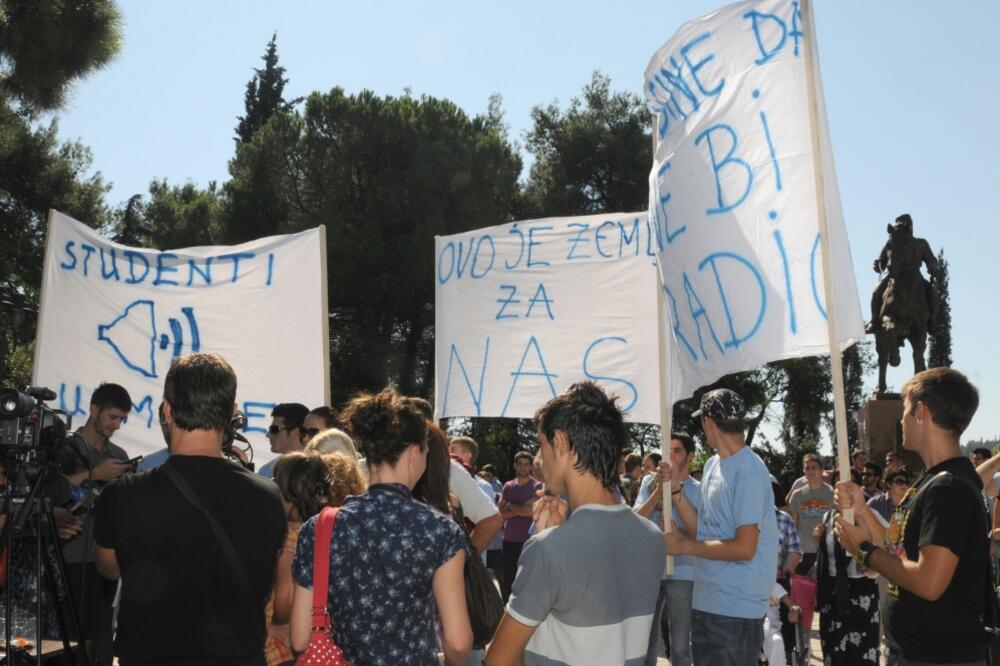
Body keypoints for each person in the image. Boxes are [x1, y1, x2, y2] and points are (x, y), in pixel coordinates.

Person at [94, 353, 287, 664]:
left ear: (167, 411)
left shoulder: (123, 494)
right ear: (232, 413)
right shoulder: (268, 496)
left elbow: (109, 567)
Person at [485, 382, 665, 666]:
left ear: (560, 443)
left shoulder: (549, 549)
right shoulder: (653, 537)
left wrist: (549, 542)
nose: (539, 459)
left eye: (540, 444)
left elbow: (499, 659)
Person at [289, 388, 471, 665]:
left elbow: (301, 638)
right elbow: (458, 643)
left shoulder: (319, 527)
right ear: (413, 453)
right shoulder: (439, 531)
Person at [834, 367, 986, 666]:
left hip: (938, 657)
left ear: (922, 412)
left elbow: (929, 582)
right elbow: (899, 551)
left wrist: (864, 550)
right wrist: (862, 509)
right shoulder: (932, 481)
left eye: (905, 410)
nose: (901, 419)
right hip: (916, 653)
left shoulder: (948, 487)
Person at [663, 388, 779, 666]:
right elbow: (703, 530)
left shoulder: (749, 470)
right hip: (707, 602)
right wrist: (676, 491)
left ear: (708, 422)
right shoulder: (714, 464)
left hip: (736, 609)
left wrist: (683, 546)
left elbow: (745, 547)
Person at [55, 382, 133, 664]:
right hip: (68, 558)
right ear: (93, 409)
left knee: (100, 641)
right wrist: (95, 473)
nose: (117, 425)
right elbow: (52, 489)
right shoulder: (64, 448)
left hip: (105, 560)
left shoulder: (120, 456)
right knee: (67, 640)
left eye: (122, 419)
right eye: (113, 417)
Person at [266, 452, 340, 666]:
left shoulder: (291, 535)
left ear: (289, 490)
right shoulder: (327, 531)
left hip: (280, 651)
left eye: (276, 480)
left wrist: (276, 625)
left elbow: (285, 599)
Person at [633, 433, 700, 666]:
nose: (670, 455)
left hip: (683, 572)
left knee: (681, 644)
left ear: (690, 456)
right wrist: (657, 492)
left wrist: (676, 532)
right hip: (650, 571)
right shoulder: (648, 482)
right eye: (667, 450)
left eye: (677, 450)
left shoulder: (698, 489)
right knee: (645, 641)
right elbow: (635, 520)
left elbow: (699, 533)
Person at [814, 508, 880, 665]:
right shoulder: (828, 517)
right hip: (833, 590)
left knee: (862, 651)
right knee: (834, 649)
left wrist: (866, 562)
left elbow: (883, 549)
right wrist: (819, 538)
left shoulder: (867, 515)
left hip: (861, 591)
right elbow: (828, 555)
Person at [867, 213, 938, 333]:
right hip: (894, 276)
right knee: (876, 292)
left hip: (915, 276)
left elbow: (932, 260)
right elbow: (882, 262)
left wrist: (933, 268)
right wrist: (878, 265)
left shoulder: (921, 243)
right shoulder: (891, 242)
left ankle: (932, 321)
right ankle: (874, 321)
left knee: (932, 293)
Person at [498, 451, 543, 602]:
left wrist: (510, 505)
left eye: (526, 464)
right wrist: (520, 508)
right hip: (508, 539)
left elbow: (531, 512)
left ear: (531, 467)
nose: (523, 468)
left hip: (528, 539)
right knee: (508, 579)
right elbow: (500, 513)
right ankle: (507, 611)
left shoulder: (537, 486)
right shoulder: (508, 486)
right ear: (515, 466)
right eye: (520, 464)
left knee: (526, 579)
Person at [258, 403, 310, 478]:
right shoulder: (266, 471)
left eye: (274, 429)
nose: (268, 435)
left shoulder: (317, 470)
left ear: (296, 432)